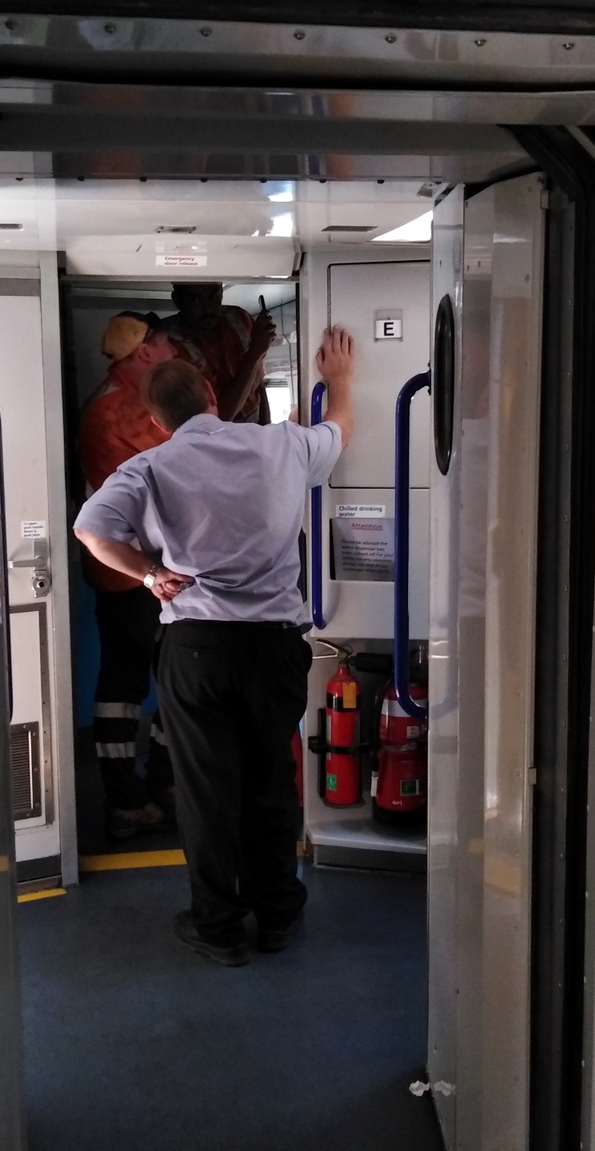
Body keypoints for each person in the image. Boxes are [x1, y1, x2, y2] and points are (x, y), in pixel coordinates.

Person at [73, 327, 357, 966]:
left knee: (206, 791)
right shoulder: (281, 445)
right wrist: (339, 379)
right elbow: (338, 429)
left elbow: (89, 527)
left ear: (155, 418)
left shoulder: (150, 464)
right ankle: (278, 911)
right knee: (270, 781)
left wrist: (149, 574)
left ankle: (220, 928)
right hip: (276, 646)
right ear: (208, 393)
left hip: (197, 646)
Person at [76, 313, 179, 840]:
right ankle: (165, 784)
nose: (171, 349)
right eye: (165, 342)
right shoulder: (128, 407)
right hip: (143, 572)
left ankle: (123, 798)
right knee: (177, 679)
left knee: (119, 682)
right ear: (144, 351)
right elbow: (188, 461)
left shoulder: (103, 398)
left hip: (110, 571)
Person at [153, 282, 278, 424]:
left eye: (214, 296)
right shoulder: (167, 346)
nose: (208, 307)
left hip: (254, 426)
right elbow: (217, 419)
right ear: (177, 300)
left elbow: (258, 384)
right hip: (211, 436)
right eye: (195, 299)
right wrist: (254, 353)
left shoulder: (239, 319)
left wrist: (266, 429)